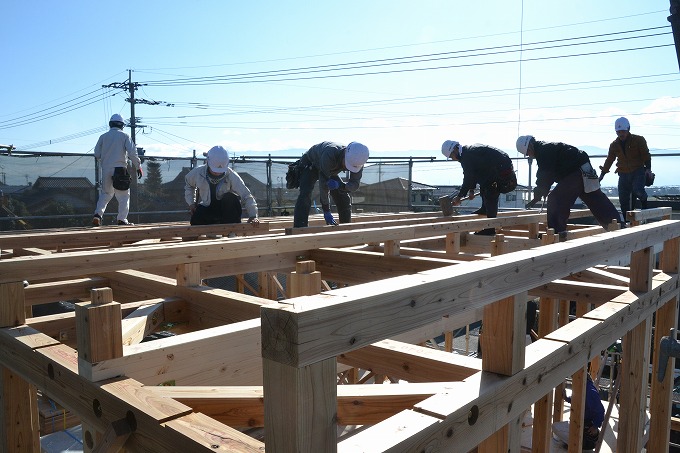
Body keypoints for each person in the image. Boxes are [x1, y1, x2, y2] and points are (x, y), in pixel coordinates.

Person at [516, 135, 622, 241]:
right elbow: (546, 174)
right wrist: (540, 190)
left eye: (527, 153)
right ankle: (617, 225)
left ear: (529, 147)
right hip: (585, 169)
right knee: (596, 200)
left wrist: (539, 192)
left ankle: (556, 233)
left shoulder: (543, 151)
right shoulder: (545, 148)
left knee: (555, 199)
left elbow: (545, 174)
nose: (529, 156)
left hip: (577, 172)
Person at [441, 140, 517, 235]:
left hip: (501, 168)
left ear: (454, 150)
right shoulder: (467, 153)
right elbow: (474, 173)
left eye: (451, 156)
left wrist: (459, 196)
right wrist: (471, 190)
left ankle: (490, 229)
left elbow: (468, 177)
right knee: (485, 184)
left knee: (491, 191)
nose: (453, 159)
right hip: (498, 166)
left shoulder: (467, 156)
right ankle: (485, 209)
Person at [293, 141, 369, 228]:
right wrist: (326, 210)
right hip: (311, 163)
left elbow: (355, 184)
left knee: (344, 198)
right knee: (305, 193)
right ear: (344, 154)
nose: (346, 168)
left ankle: (346, 228)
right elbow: (324, 185)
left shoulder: (358, 162)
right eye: (346, 165)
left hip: (330, 169)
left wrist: (341, 186)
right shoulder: (330, 153)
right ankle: (300, 227)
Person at [184, 146, 260, 226]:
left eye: (220, 171)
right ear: (208, 163)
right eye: (215, 170)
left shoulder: (231, 175)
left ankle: (231, 231)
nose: (218, 173)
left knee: (230, 198)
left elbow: (246, 195)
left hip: (226, 212)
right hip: (207, 208)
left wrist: (253, 216)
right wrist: (191, 203)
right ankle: (210, 230)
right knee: (196, 220)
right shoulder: (198, 173)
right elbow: (189, 185)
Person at [92, 113, 143, 226]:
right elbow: (132, 153)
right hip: (120, 169)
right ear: (122, 125)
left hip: (106, 169)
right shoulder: (125, 136)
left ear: (110, 124)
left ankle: (97, 215)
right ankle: (121, 219)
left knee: (106, 194)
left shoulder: (103, 137)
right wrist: (138, 166)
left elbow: (96, 154)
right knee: (123, 195)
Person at [599, 117, 652, 218]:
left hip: (638, 171)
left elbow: (646, 155)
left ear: (628, 129)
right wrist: (602, 175)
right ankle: (627, 222)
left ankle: (644, 205)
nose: (621, 134)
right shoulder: (614, 145)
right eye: (619, 132)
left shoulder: (639, 140)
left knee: (638, 190)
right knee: (623, 200)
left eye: (623, 131)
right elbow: (609, 160)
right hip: (623, 174)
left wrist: (648, 169)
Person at [552, 373, 606, 450]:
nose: (573, 380)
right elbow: (578, 400)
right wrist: (567, 398)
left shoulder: (590, 392)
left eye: (573, 377)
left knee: (555, 427)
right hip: (583, 425)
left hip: (586, 433)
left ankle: (577, 444)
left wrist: (595, 426)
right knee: (562, 427)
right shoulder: (583, 387)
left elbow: (600, 411)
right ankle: (576, 441)